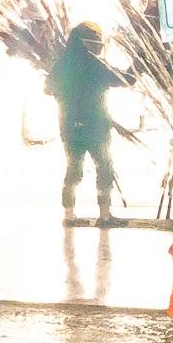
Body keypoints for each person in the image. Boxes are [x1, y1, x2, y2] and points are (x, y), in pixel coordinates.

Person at [49, 22, 125, 225]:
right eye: (96, 41)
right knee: (104, 168)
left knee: (73, 169)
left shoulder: (62, 64)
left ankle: (69, 215)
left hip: (70, 126)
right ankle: (105, 215)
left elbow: (48, 87)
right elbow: (124, 79)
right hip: (95, 126)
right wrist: (140, 64)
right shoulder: (94, 64)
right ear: (85, 42)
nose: (99, 45)